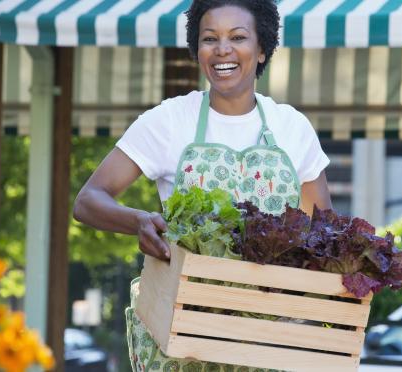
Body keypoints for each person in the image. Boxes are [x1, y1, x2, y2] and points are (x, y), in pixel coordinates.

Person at [74, 0, 332, 370]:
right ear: (198, 51)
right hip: (185, 336)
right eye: (210, 38)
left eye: (238, 37)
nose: (222, 49)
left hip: (272, 341)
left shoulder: (292, 128)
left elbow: (324, 232)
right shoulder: (167, 121)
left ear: (262, 50)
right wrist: (140, 221)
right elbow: (88, 200)